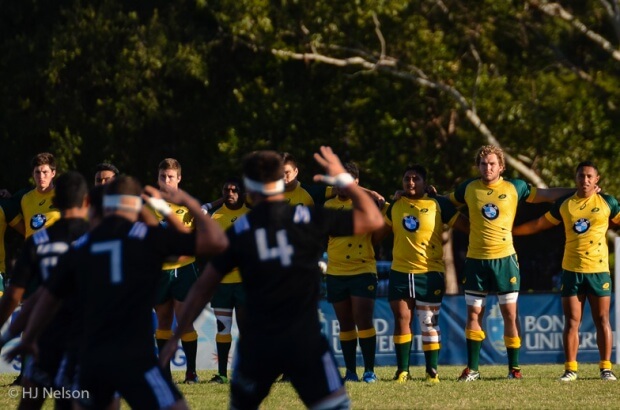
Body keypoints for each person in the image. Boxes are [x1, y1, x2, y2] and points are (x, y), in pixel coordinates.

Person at [161, 146, 383, 409]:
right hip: (305, 340)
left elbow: (202, 288)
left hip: (259, 343)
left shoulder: (240, 231)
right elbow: (373, 220)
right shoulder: (306, 217)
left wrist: (174, 338)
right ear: (281, 182)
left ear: (249, 189)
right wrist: (345, 180)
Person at [5, 175, 228, 410]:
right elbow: (217, 242)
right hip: (133, 355)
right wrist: (181, 203)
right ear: (137, 204)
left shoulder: (81, 246)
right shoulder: (146, 237)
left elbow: (45, 297)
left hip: (88, 354)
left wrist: (27, 338)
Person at [449, 145, 575, 381]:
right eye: (484, 164)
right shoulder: (468, 188)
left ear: (501, 166)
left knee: (509, 314)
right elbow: (445, 203)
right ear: (478, 166)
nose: (488, 168)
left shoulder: (515, 187)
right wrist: (425, 195)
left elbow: (547, 195)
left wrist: (578, 190)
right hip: (476, 261)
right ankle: (473, 369)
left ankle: (514, 369)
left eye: (492, 164)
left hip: (505, 260)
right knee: (474, 314)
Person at [513, 161, 619, 381]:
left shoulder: (608, 202)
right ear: (576, 178)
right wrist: (510, 232)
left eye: (590, 176)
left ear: (597, 179)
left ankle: (606, 368)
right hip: (571, 270)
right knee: (572, 321)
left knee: (602, 320)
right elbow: (540, 224)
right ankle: (570, 369)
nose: (585, 180)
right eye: (581, 176)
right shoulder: (565, 204)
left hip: (599, 271)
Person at [0, 171, 90, 410]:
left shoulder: (38, 241)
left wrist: (9, 334)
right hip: (87, 340)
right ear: (86, 201)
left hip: (47, 339)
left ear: (55, 202)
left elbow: (14, 295)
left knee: (29, 402)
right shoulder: (98, 239)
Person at [373, 165, 468, 383]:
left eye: (416, 179)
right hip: (400, 272)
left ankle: (431, 370)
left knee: (428, 321)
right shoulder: (395, 205)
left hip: (429, 272)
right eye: (407, 179)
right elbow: (378, 234)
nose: (411, 183)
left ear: (425, 183)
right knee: (401, 319)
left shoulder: (438, 204)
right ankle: (402, 370)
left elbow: (466, 226)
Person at [323, 162, 387, 384]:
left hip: (362, 269)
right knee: (345, 323)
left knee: (363, 319)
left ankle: (369, 370)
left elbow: (384, 218)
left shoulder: (366, 203)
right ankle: (350, 371)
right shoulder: (327, 205)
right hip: (336, 271)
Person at [152, 158, 202, 383]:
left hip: (184, 269)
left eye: (170, 177)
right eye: (163, 176)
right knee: (163, 320)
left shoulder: (190, 204)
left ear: (179, 178)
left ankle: (191, 372)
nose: (166, 181)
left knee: (184, 321)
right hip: (159, 271)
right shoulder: (150, 204)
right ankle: (164, 373)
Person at [208, 177, 250, 384]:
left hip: (245, 283)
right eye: (226, 190)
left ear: (242, 193)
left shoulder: (251, 215)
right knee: (223, 328)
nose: (230, 193)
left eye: (234, 190)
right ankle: (222, 373)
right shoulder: (215, 217)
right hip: (222, 283)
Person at [18, 153, 61, 239]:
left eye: (45, 172)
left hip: (54, 250)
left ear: (53, 173)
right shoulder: (25, 198)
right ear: (33, 174)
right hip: (31, 251)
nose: (41, 176)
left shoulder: (62, 196)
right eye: (37, 172)